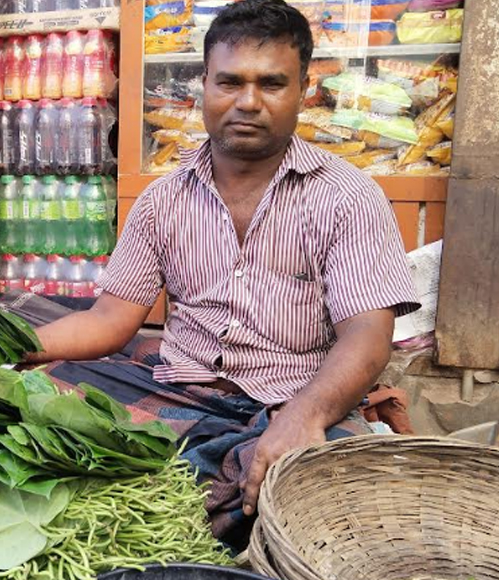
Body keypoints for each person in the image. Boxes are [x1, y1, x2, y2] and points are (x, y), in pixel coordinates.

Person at [26, 0, 419, 547]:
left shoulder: (348, 197)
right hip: (183, 389)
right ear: (203, 85)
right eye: (230, 82)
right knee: (25, 420)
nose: (249, 103)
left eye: (272, 84)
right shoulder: (162, 200)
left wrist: (303, 417)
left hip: (298, 396)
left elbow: (368, 333)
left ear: (303, 91)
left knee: (323, 503)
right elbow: (112, 321)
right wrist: (4, 345)